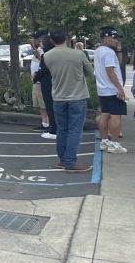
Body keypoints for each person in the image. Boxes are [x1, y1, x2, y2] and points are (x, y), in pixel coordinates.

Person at [42, 28, 94, 171]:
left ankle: (63, 159)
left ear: (51, 40)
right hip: (77, 96)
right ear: (67, 38)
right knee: (74, 130)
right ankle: (71, 161)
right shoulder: (78, 54)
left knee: (62, 130)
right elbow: (90, 72)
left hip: (58, 97)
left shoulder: (47, 56)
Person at [94, 27, 127, 154]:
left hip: (102, 89)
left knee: (105, 114)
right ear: (106, 37)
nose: (116, 40)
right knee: (115, 116)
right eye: (114, 38)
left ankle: (104, 142)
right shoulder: (108, 52)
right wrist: (119, 88)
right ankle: (114, 143)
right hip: (112, 89)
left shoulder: (98, 51)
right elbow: (110, 71)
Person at [35, 35, 58, 141]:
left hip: (47, 84)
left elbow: (44, 70)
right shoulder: (56, 54)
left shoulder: (47, 56)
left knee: (50, 106)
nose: (40, 44)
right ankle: (55, 127)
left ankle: (53, 129)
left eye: (42, 42)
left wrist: (36, 76)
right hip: (57, 83)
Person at [29, 30, 50, 132]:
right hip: (36, 81)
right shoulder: (38, 50)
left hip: (41, 81)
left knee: (45, 104)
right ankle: (44, 122)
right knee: (40, 104)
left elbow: (43, 64)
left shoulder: (43, 51)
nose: (33, 41)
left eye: (35, 39)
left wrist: (37, 55)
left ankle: (49, 123)